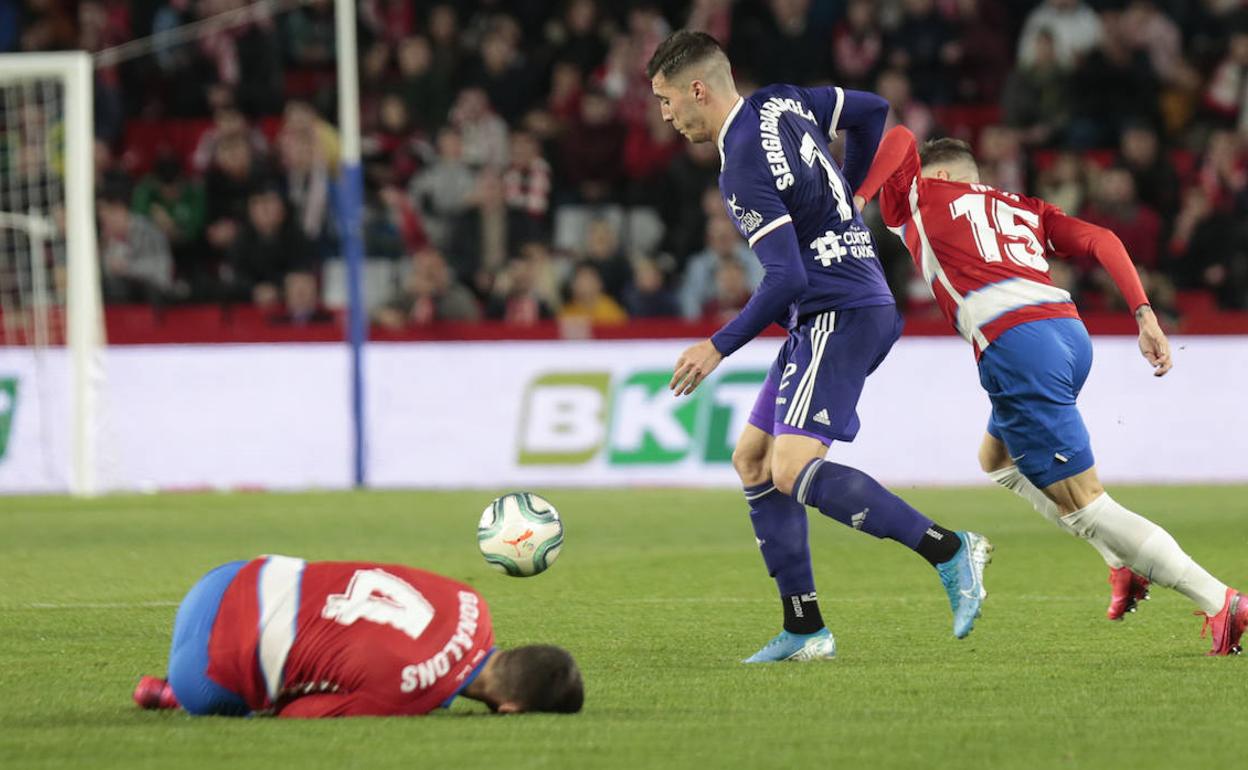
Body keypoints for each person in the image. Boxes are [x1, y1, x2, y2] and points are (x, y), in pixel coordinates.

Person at [647, 30, 991, 664]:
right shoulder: (781, 100)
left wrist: (716, 347)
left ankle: (949, 549)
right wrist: (850, 198)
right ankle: (804, 627)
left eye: (667, 100)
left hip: (838, 312)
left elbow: (786, 278)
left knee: (791, 468)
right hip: (840, 304)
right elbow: (872, 112)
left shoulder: (741, 167)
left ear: (698, 90)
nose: (665, 116)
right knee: (753, 460)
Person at [853, 125, 1248, 654]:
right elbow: (1103, 240)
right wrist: (1144, 313)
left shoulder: (921, 195)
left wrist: (859, 197)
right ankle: (1120, 558)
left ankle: (1220, 600)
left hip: (1019, 346)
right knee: (996, 460)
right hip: (1067, 333)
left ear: (938, 174)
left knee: (1086, 502)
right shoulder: (1021, 206)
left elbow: (900, 135)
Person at [132, 555, 584, 716]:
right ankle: (170, 695)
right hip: (201, 672)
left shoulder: (472, 600)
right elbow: (298, 714)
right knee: (262, 701)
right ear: (510, 709)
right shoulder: (406, 696)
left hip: (230, 575)